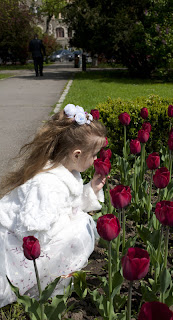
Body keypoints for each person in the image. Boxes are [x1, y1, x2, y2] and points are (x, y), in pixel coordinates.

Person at [0, 104, 107, 307]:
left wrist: (90, 189)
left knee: (80, 223)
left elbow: (69, 205)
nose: (95, 160)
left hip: (34, 234)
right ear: (76, 154)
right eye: (94, 155)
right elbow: (30, 232)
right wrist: (66, 229)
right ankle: (39, 284)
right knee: (77, 232)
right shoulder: (47, 186)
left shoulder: (65, 173)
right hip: (16, 244)